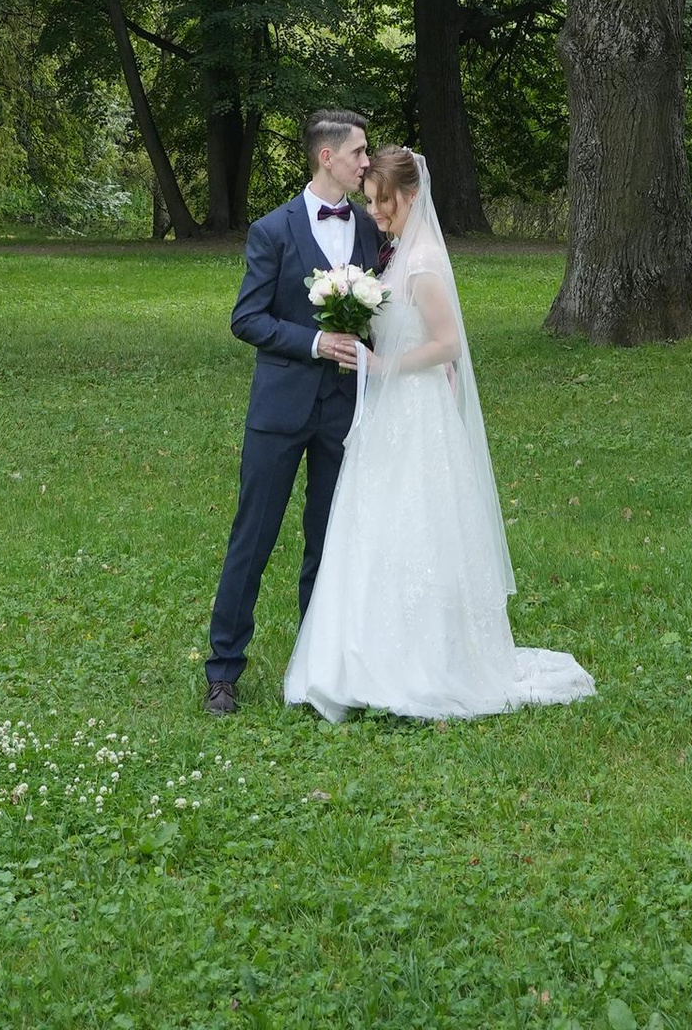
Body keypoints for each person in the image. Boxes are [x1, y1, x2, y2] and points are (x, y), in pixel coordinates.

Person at [285, 146, 594, 723]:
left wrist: (383, 365)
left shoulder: (424, 260)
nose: (376, 212)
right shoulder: (398, 252)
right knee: (375, 523)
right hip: (389, 409)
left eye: (383, 202)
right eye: (370, 202)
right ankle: (360, 657)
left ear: (410, 195)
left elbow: (448, 344)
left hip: (416, 408)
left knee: (417, 521)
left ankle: (424, 659)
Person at [204, 109, 389, 712]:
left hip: (344, 408)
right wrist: (314, 342)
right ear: (327, 157)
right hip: (279, 410)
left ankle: (318, 669)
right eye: (359, 152)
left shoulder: (371, 229)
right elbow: (247, 318)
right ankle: (223, 671)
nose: (367, 162)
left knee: (329, 541)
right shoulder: (272, 230)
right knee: (252, 537)